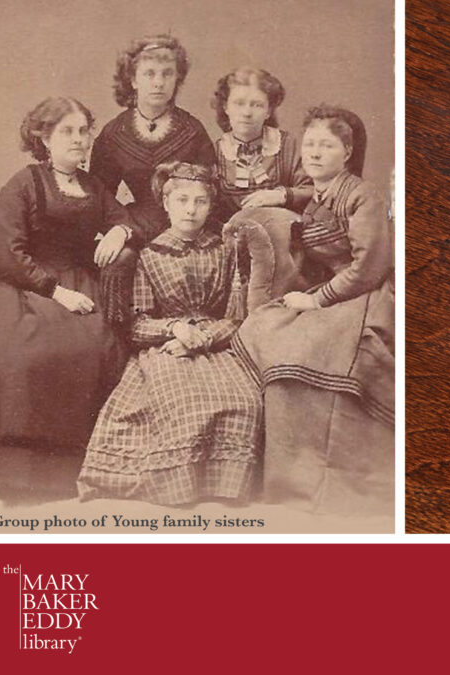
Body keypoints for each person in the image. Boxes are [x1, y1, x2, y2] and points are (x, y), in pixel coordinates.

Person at [231, 105, 393, 516]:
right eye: (309, 144)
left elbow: (370, 267)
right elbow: (303, 194)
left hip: (368, 293)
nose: (315, 153)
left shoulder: (362, 195)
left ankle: (326, 482)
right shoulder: (320, 192)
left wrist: (317, 300)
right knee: (264, 327)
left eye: (327, 145)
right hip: (335, 291)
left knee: (307, 351)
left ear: (348, 152)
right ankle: (284, 476)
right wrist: (281, 194)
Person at [78, 162, 262, 505]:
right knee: (183, 401)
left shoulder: (226, 251)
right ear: (166, 204)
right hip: (165, 346)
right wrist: (174, 328)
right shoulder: (150, 255)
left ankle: (224, 487)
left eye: (200, 202)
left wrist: (203, 338)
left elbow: (238, 316)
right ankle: (179, 487)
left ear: (211, 205)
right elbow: (137, 324)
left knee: (245, 401)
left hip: (218, 342)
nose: (190, 210)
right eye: (181, 200)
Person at [0, 98, 131, 495]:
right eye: (68, 131)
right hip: (24, 285)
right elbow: (7, 252)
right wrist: (56, 291)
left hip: (79, 279)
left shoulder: (92, 187)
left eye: (84, 131)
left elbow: (121, 217)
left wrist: (120, 232)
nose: (79, 140)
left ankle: (84, 466)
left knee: (102, 343)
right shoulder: (25, 183)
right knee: (29, 350)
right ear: (44, 138)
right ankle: (23, 470)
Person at [90, 35, 216, 326]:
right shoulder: (114, 133)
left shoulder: (192, 130)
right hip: (138, 221)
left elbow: (210, 191)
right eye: (149, 74)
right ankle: (118, 344)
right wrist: (121, 228)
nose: (158, 82)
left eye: (167, 74)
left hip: (190, 220)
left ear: (177, 81)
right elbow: (100, 195)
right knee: (117, 260)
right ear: (132, 80)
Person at [211, 68, 313, 222]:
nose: (246, 112)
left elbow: (315, 190)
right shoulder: (215, 151)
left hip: (284, 232)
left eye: (257, 105)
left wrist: (281, 195)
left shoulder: (288, 145)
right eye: (239, 103)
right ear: (226, 107)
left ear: (269, 111)